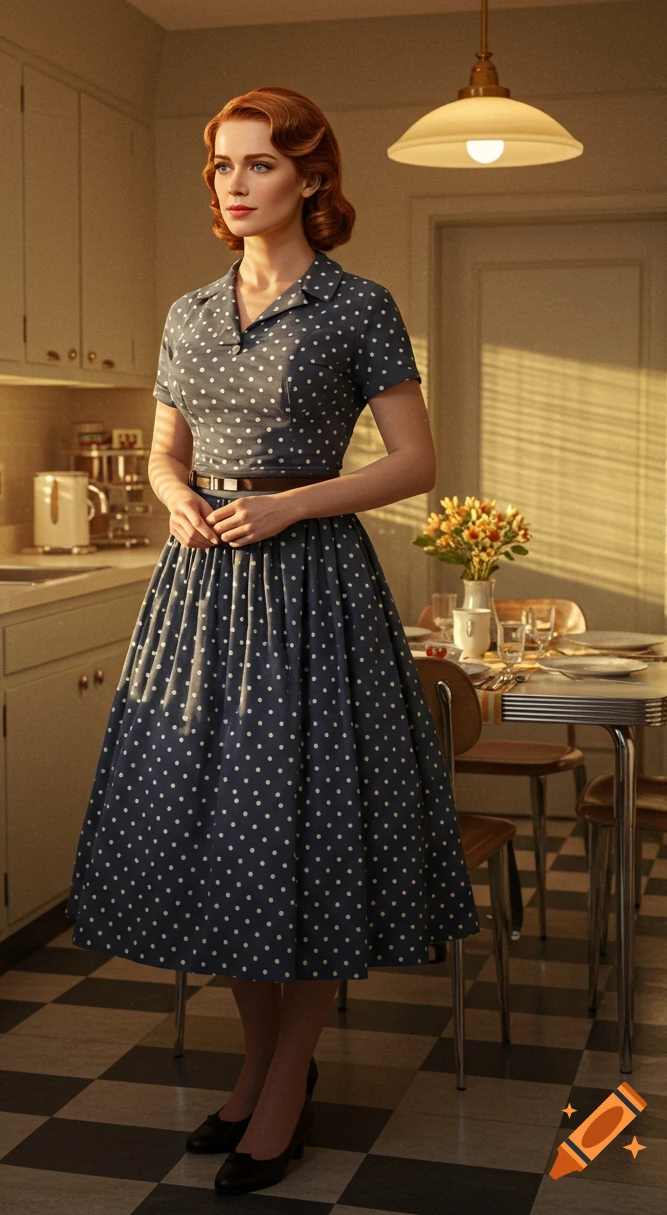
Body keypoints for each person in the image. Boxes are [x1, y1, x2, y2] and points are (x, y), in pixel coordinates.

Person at [66, 86, 479, 1196]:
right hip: (200, 593)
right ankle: (255, 1062)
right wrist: (173, 499)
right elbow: (164, 450)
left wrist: (293, 504)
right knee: (226, 846)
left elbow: (413, 461)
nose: (235, 185)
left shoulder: (357, 306)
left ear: (308, 180)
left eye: (257, 165)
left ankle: (283, 1077)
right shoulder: (187, 313)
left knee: (301, 838)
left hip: (311, 591)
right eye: (220, 166)